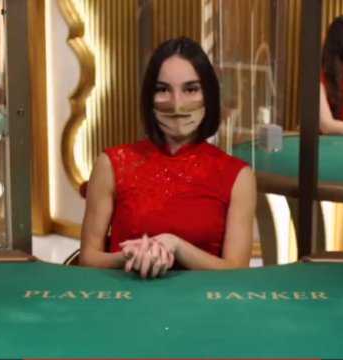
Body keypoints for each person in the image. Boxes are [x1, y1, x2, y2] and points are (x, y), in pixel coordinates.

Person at [80, 38, 256, 279]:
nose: (176, 104)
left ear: (209, 95)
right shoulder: (111, 163)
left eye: (190, 89)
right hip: (127, 297)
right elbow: (88, 258)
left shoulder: (238, 176)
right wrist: (133, 256)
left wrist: (176, 246)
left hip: (204, 300)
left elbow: (237, 271)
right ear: (149, 97)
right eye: (163, 90)